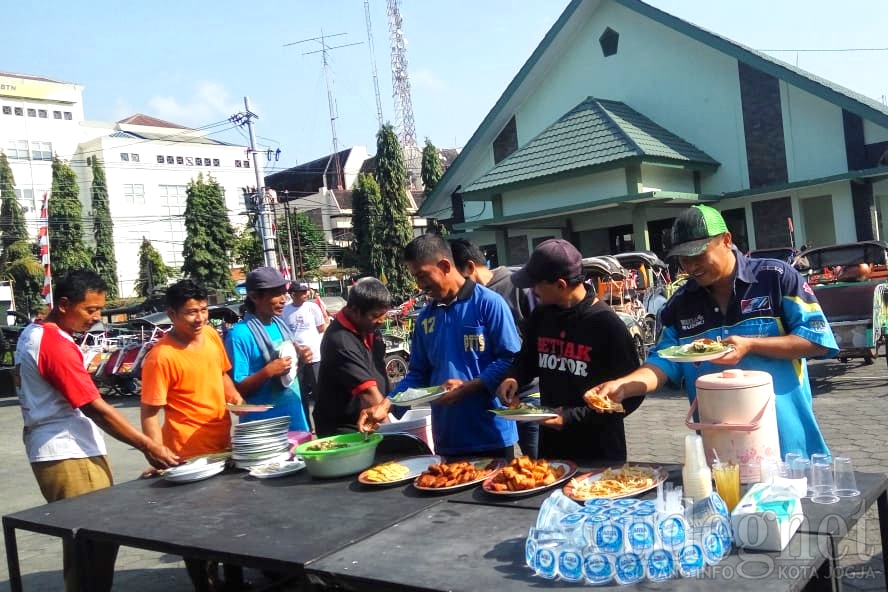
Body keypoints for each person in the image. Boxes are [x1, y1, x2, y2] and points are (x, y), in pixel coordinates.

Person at [585, 204, 837, 458]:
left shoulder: (776, 279)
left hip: (791, 451)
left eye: (698, 255)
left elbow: (817, 340)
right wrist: (624, 386)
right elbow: (663, 362)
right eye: (684, 259)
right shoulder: (680, 305)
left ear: (726, 240)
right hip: (721, 456)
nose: (691, 267)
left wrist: (751, 345)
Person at [13, 269, 179, 592]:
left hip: (58, 446)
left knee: (87, 543)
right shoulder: (53, 343)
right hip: (67, 451)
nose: (97, 318)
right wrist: (148, 445)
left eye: (99, 310)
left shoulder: (34, 333)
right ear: (63, 304)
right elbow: (95, 407)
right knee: (92, 541)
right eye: (90, 310)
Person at [359, 234, 522, 458]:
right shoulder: (425, 317)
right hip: (447, 438)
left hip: (490, 434)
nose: (420, 285)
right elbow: (418, 373)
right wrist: (387, 404)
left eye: (422, 276)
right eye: (415, 278)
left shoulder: (489, 304)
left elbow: (510, 358)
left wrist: (471, 386)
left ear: (445, 265)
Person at [140, 279, 247, 591]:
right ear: (172, 314)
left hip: (224, 446)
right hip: (188, 456)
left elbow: (222, 373)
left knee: (232, 522)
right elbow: (149, 413)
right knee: (198, 532)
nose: (200, 318)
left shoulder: (211, 334)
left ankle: (236, 583)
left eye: (203, 310)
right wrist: (156, 454)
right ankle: (204, 585)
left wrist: (238, 399)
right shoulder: (161, 356)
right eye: (191, 312)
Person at [496, 239, 642, 463]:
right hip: (552, 449)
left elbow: (632, 396)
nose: (532, 291)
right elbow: (527, 359)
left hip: (599, 454)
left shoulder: (606, 325)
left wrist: (571, 417)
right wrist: (514, 376)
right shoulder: (542, 316)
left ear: (561, 285)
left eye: (536, 284)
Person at [449, 238, 541, 458]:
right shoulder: (462, 302)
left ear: (470, 268)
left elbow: (536, 343)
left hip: (528, 395)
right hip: (495, 399)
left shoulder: (516, 287)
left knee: (541, 463)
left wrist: (519, 381)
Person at [224, 267, 310, 432]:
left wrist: (301, 358)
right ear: (255, 296)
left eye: (284, 293)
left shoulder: (280, 324)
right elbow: (238, 388)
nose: (283, 299)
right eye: (276, 294)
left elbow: (292, 371)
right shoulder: (239, 335)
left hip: (295, 417)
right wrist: (268, 372)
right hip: (263, 427)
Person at [314, 277, 392, 436]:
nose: (382, 321)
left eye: (384, 314)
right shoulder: (340, 340)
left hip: (372, 419)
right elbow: (368, 393)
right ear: (355, 311)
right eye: (376, 315)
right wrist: (398, 433)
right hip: (346, 429)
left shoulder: (370, 328)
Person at [282, 279, 327, 432]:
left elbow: (321, 328)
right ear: (293, 294)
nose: (305, 295)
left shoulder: (312, 308)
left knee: (319, 393)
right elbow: (284, 334)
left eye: (306, 291)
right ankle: (306, 427)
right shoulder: (285, 310)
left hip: (314, 357)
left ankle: (322, 424)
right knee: (301, 395)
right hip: (296, 360)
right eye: (301, 292)